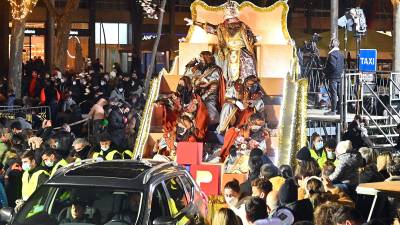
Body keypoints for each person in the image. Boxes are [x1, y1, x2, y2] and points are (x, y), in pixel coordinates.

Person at [185, 1, 257, 83]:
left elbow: (249, 36)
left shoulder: (242, 25)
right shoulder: (222, 27)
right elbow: (211, 28)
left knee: (248, 63)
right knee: (218, 62)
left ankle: (246, 87)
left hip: (242, 53)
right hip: (228, 53)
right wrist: (195, 23)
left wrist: (255, 38)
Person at [191, 51, 222, 126]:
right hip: (197, 93)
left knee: (209, 108)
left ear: (207, 58)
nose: (200, 59)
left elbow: (214, 84)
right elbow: (194, 78)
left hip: (209, 94)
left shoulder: (215, 69)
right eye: (200, 57)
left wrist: (204, 82)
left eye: (201, 57)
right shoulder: (199, 68)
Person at [323, 38, 344, 115]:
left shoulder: (332, 54)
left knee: (333, 93)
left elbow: (332, 67)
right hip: (339, 76)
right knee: (339, 93)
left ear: (331, 45)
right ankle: (340, 110)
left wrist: (325, 71)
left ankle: (333, 111)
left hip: (333, 77)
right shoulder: (341, 54)